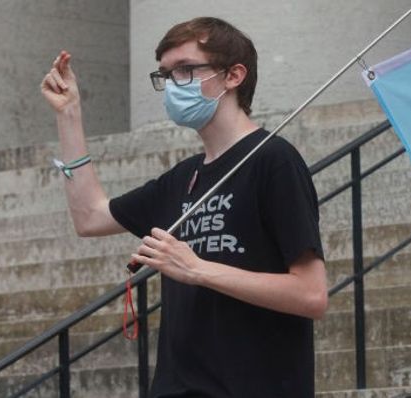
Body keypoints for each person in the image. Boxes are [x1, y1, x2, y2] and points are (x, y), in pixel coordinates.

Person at [40, 17, 327, 397]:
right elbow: (90, 216)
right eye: (166, 74)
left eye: (186, 69)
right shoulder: (182, 178)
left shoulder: (273, 160)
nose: (173, 84)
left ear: (233, 75)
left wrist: (198, 269)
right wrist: (69, 115)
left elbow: (311, 295)